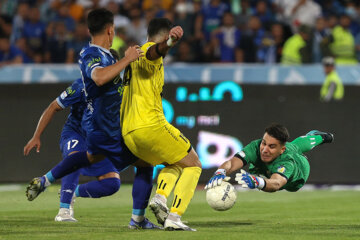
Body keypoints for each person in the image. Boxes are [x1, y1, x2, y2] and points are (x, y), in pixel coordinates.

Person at [25, 8, 160, 229]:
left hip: (103, 131)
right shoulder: (92, 57)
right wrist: (36, 136)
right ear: (110, 30)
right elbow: (97, 78)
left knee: (111, 180)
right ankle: (65, 209)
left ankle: (46, 181)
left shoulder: (107, 57)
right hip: (90, 130)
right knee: (142, 162)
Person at [120, 18, 202, 231]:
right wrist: (171, 42)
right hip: (150, 126)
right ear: (165, 36)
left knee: (174, 162)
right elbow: (154, 53)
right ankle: (174, 217)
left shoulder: (132, 57)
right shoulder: (147, 50)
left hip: (129, 133)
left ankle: (160, 198)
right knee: (194, 163)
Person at [205, 123, 334, 192]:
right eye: (264, 143)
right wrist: (221, 171)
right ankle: (319, 136)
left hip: (298, 174)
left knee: (294, 148)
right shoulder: (256, 147)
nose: (265, 150)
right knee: (293, 145)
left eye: (271, 146)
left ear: (281, 150)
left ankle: (320, 137)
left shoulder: (287, 161)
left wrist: (258, 182)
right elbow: (232, 163)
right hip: (270, 166)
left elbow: (276, 183)